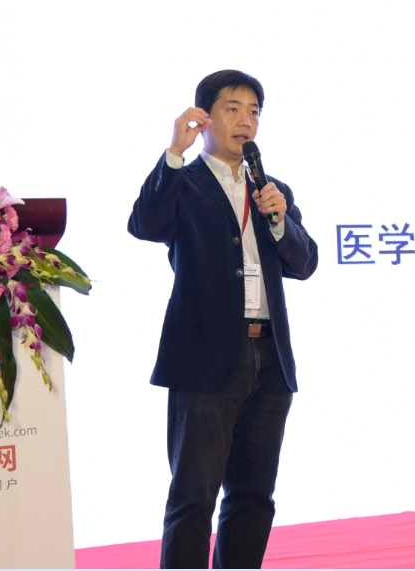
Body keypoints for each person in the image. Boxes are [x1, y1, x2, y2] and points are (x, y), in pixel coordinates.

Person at [128, 69, 319, 568]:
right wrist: (174, 153)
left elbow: (305, 264)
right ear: (204, 118)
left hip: (269, 357)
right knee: (194, 497)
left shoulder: (272, 190)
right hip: (206, 357)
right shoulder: (182, 182)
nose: (246, 121)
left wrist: (279, 220)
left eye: (254, 111)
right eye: (233, 109)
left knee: (254, 496)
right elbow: (144, 224)